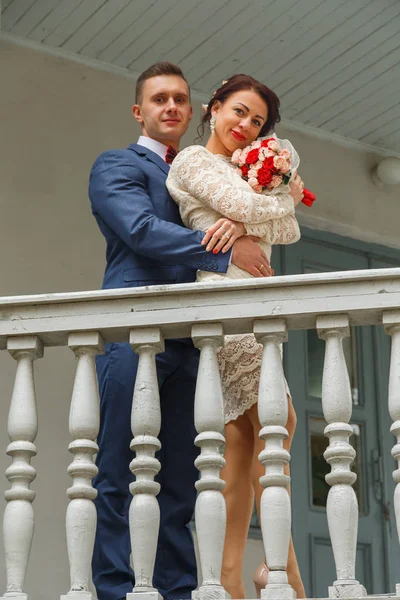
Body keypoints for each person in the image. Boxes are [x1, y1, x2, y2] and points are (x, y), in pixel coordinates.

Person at [88, 63, 275, 600]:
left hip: (193, 344)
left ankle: (175, 590)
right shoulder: (117, 165)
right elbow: (141, 230)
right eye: (159, 99)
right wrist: (224, 250)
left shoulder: (207, 172)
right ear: (139, 111)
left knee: (176, 481)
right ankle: (115, 589)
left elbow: (255, 219)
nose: (170, 107)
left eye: (179, 100)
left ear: (193, 111)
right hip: (134, 333)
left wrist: (243, 224)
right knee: (119, 468)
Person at [166, 74, 306, 599]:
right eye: (239, 112)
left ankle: (232, 575)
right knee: (279, 420)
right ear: (214, 108)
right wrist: (269, 208)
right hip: (224, 295)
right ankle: (282, 574)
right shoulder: (193, 162)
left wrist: (255, 220)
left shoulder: (245, 169)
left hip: (253, 294)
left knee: (244, 439)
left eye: (257, 122)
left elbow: (288, 231)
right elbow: (260, 213)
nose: (245, 127)